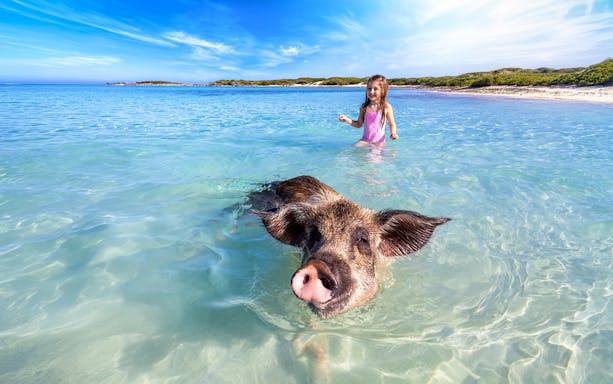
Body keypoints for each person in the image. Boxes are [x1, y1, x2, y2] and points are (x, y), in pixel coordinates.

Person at [338, 74, 398, 146]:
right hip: (365, 140)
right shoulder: (364, 107)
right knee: (350, 150)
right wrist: (347, 120)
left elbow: (392, 124)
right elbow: (359, 124)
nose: (371, 92)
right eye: (369, 88)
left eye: (375, 89)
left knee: (373, 156)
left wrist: (393, 133)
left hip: (379, 142)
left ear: (382, 91)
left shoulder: (386, 107)